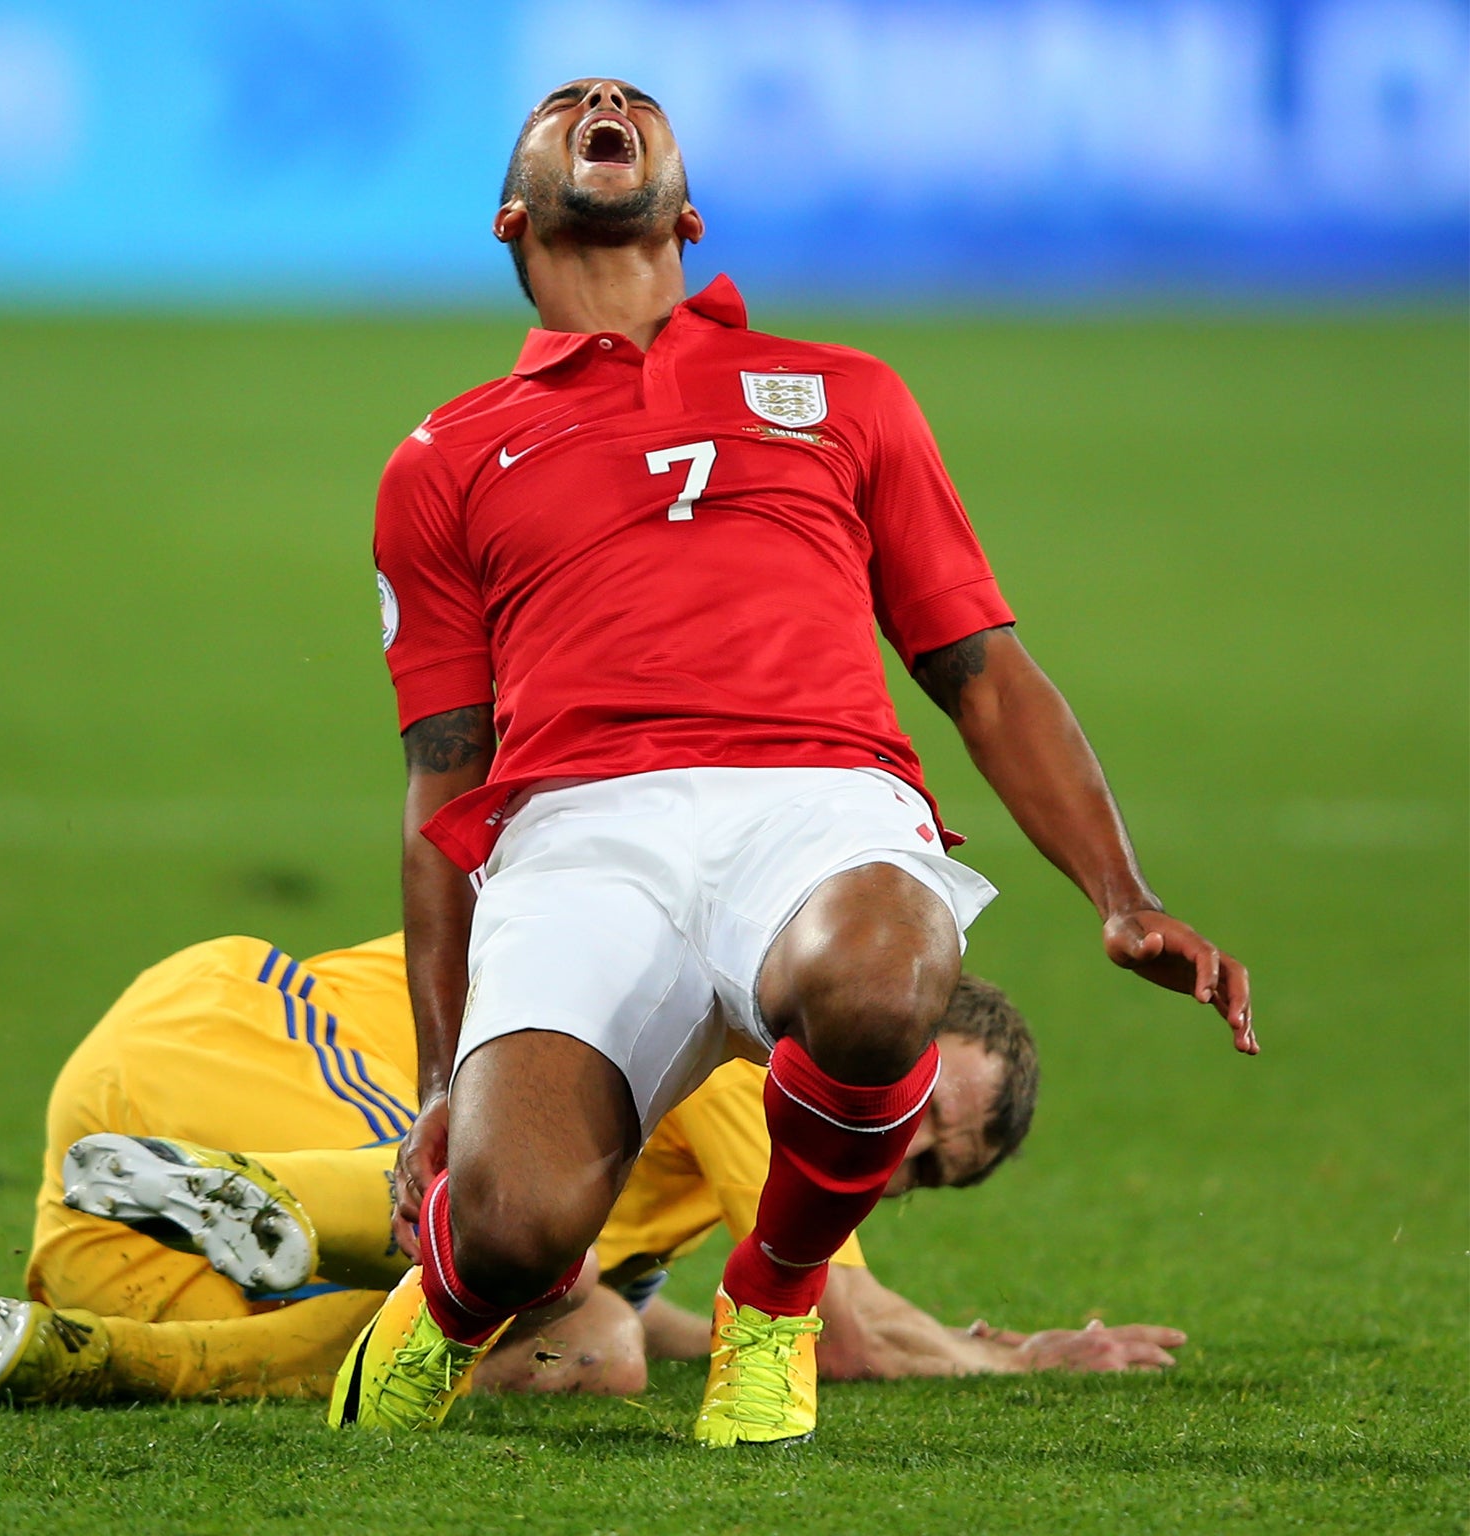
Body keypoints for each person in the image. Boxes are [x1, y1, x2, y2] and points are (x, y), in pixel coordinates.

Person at [346, 77, 1253, 1446]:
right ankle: (460, 1303)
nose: (604, 99)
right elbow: (442, 776)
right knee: (519, 1222)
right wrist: (435, 1078)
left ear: (689, 213)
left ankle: (771, 1304)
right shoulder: (443, 460)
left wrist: (1120, 894)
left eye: (634, 100)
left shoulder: (849, 394)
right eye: (568, 102)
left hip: (819, 804)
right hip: (577, 836)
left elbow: (984, 671)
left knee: (888, 969)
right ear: (513, 217)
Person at [0, 933, 1184, 1405]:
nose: (886, 1150)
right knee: (523, 1249)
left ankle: (112, 1355)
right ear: (876, 1028)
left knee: (576, 1341)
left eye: (922, 1168)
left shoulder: (696, 1181)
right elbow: (845, 1331)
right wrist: (1009, 1357)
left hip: (112, 1219)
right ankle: (270, 1192)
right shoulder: (767, 1063)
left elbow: (707, 1324)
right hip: (246, 1042)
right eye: (911, 1104)